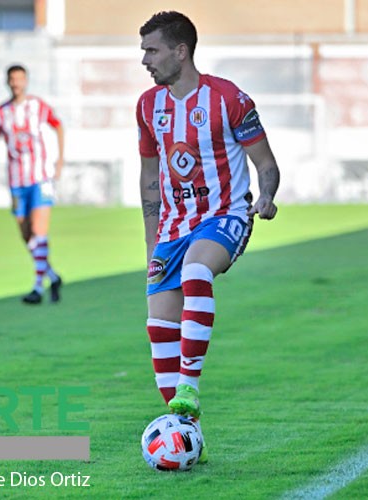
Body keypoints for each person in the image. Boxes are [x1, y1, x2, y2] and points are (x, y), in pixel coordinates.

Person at [136, 11, 280, 462]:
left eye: (152, 50)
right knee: (160, 329)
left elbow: (266, 164)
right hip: (171, 228)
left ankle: (190, 387)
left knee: (198, 268)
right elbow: (148, 181)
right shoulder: (147, 106)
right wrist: (150, 247)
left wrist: (268, 196)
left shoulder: (228, 99)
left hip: (226, 215)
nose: (145, 60)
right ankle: (186, 431)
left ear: (181, 51)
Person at [0, 64, 65, 304]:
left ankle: (38, 287)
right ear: (7, 82)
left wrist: (60, 159)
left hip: (41, 178)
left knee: (39, 231)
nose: (16, 83)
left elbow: (58, 127)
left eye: (20, 79)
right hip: (17, 181)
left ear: (26, 81)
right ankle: (53, 276)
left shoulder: (38, 106)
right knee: (27, 236)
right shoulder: (0, 112)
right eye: (12, 79)